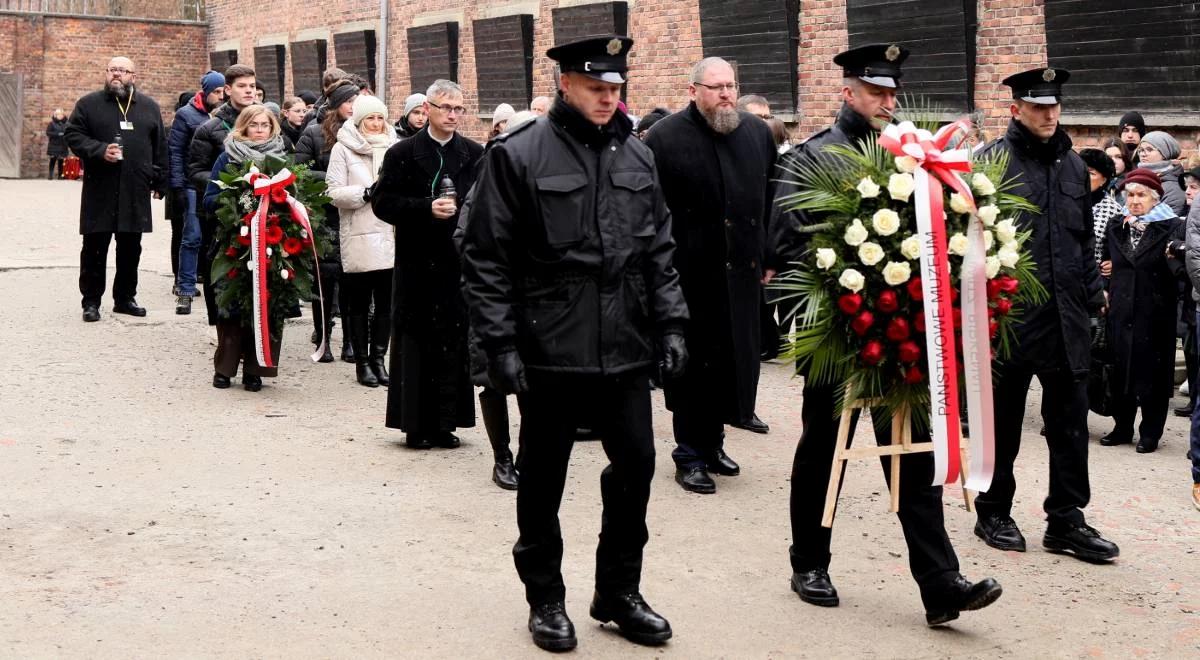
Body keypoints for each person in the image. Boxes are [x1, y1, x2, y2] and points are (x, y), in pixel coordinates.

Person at [461, 35, 688, 651]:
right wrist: (500, 347)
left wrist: (671, 324)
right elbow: (485, 258)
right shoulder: (519, 154)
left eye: (616, 89)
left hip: (625, 340)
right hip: (549, 342)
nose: (608, 99)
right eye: (597, 88)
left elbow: (658, 251)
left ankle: (617, 590)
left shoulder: (637, 157)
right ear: (565, 84)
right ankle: (546, 598)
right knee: (543, 477)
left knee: (638, 463)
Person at [770, 43, 1001, 626]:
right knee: (823, 448)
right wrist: (853, 275)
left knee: (914, 452)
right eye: (875, 91)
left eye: (892, 92)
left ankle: (940, 584)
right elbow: (783, 244)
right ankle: (809, 562)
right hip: (836, 330)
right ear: (847, 92)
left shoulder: (912, 156)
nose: (886, 101)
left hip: (901, 330)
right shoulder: (812, 157)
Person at [971, 67, 1119, 562]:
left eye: (1054, 105)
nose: (1049, 113)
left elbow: (1081, 242)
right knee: (1004, 422)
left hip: (1066, 318)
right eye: (1038, 105)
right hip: (1011, 319)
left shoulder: (1076, 167)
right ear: (1016, 109)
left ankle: (1066, 520)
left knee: (1070, 425)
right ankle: (993, 511)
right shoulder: (991, 162)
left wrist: (1092, 291)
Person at [644, 57, 774, 494]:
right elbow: (651, 211)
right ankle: (689, 454)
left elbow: (773, 198)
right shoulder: (664, 138)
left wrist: (770, 254)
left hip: (741, 274)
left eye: (731, 86)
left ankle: (714, 442)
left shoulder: (756, 134)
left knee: (732, 364)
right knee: (692, 369)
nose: (725, 94)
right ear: (693, 90)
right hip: (689, 276)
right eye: (716, 87)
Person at [370, 79, 481, 449]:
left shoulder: (473, 153)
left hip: (455, 262)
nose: (452, 115)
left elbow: (486, 202)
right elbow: (383, 202)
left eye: (458, 109)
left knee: (452, 341)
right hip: (417, 261)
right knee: (416, 342)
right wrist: (424, 208)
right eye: (445, 108)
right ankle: (415, 425)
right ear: (427, 109)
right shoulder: (402, 153)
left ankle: (447, 423)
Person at [65, 56, 167, 322]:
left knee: (131, 249)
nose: (117, 75)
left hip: (136, 189)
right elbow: (73, 135)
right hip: (101, 188)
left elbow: (160, 146)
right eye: (113, 70)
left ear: (134, 75)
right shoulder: (88, 104)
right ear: (106, 73)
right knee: (94, 248)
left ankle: (124, 298)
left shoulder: (148, 107)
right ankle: (91, 301)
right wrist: (99, 150)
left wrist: (160, 180)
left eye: (123, 71)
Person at [201, 105, 292, 392]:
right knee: (232, 305)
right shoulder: (227, 157)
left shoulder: (281, 157)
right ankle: (225, 368)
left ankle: (257, 368)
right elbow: (208, 199)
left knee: (267, 304)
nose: (260, 129)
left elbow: (295, 197)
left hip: (273, 240)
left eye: (265, 124)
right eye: (254, 124)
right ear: (243, 127)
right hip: (235, 239)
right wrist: (238, 201)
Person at [1098, 169, 1184, 454]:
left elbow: (1178, 268)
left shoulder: (1170, 226)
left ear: (1155, 198)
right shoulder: (1117, 224)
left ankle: (1150, 433)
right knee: (1120, 369)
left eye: (1141, 195)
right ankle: (1122, 427)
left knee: (1153, 375)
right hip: (1121, 309)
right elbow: (1106, 262)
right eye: (1130, 195)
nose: (1134, 201)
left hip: (1155, 311)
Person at [326, 94, 397, 387]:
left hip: (391, 233)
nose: (377, 124)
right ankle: (362, 362)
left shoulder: (395, 146)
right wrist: (367, 192)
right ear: (359, 120)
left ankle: (380, 359)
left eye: (380, 118)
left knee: (385, 304)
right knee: (357, 303)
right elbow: (332, 191)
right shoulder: (343, 150)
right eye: (370, 118)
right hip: (359, 231)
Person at [188, 64, 260, 328]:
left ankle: (255, 324)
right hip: (220, 209)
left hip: (258, 209)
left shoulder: (264, 123)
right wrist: (231, 186)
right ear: (227, 90)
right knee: (218, 265)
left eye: (252, 86)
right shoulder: (211, 128)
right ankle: (220, 324)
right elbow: (196, 171)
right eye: (242, 86)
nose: (249, 91)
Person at [296, 80, 359, 363]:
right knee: (324, 282)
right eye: (349, 101)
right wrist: (335, 182)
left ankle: (350, 341)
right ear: (336, 104)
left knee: (351, 283)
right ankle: (323, 338)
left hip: (353, 215)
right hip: (323, 216)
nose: (354, 106)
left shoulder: (361, 133)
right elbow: (299, 171)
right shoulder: (312, 134)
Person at [169, 70, 225, 314]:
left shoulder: (226, 115)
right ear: (206, 91)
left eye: (223, 91)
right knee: (191, 236)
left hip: (220, 181)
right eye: (216, 91)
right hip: (194, 183)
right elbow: (176, 151)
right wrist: (178, 185)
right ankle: (185, 289)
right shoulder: (187, 115)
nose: (221, 95)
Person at [1080, 148, 1123, 268]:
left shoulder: (1113, 210)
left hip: (1093, 275)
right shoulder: (1065, 199)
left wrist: (1113, 262)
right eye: (1081, 171)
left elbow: (1120, 249)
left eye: (1091, 173)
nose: (1084, 177)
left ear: (1103, 180)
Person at [1135, 131, 1187, 215]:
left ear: (1165, 154)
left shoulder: (1173, 189)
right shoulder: (1137, 180)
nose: (1142, 154)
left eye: (1149, 149)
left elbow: (1165, 223)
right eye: (1140, 150)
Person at [46, 108, 69, 179]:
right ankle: (50, 175)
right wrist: (57, 134)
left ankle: (60, 175)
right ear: (55, 115)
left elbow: (69, 132)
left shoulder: (66, 123)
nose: (59, 115)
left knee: (61, 160)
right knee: (53, 160)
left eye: (61, 114)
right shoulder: (51, 124)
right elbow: (48, 133)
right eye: (58, 114)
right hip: (54, 144)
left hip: (63, 144)